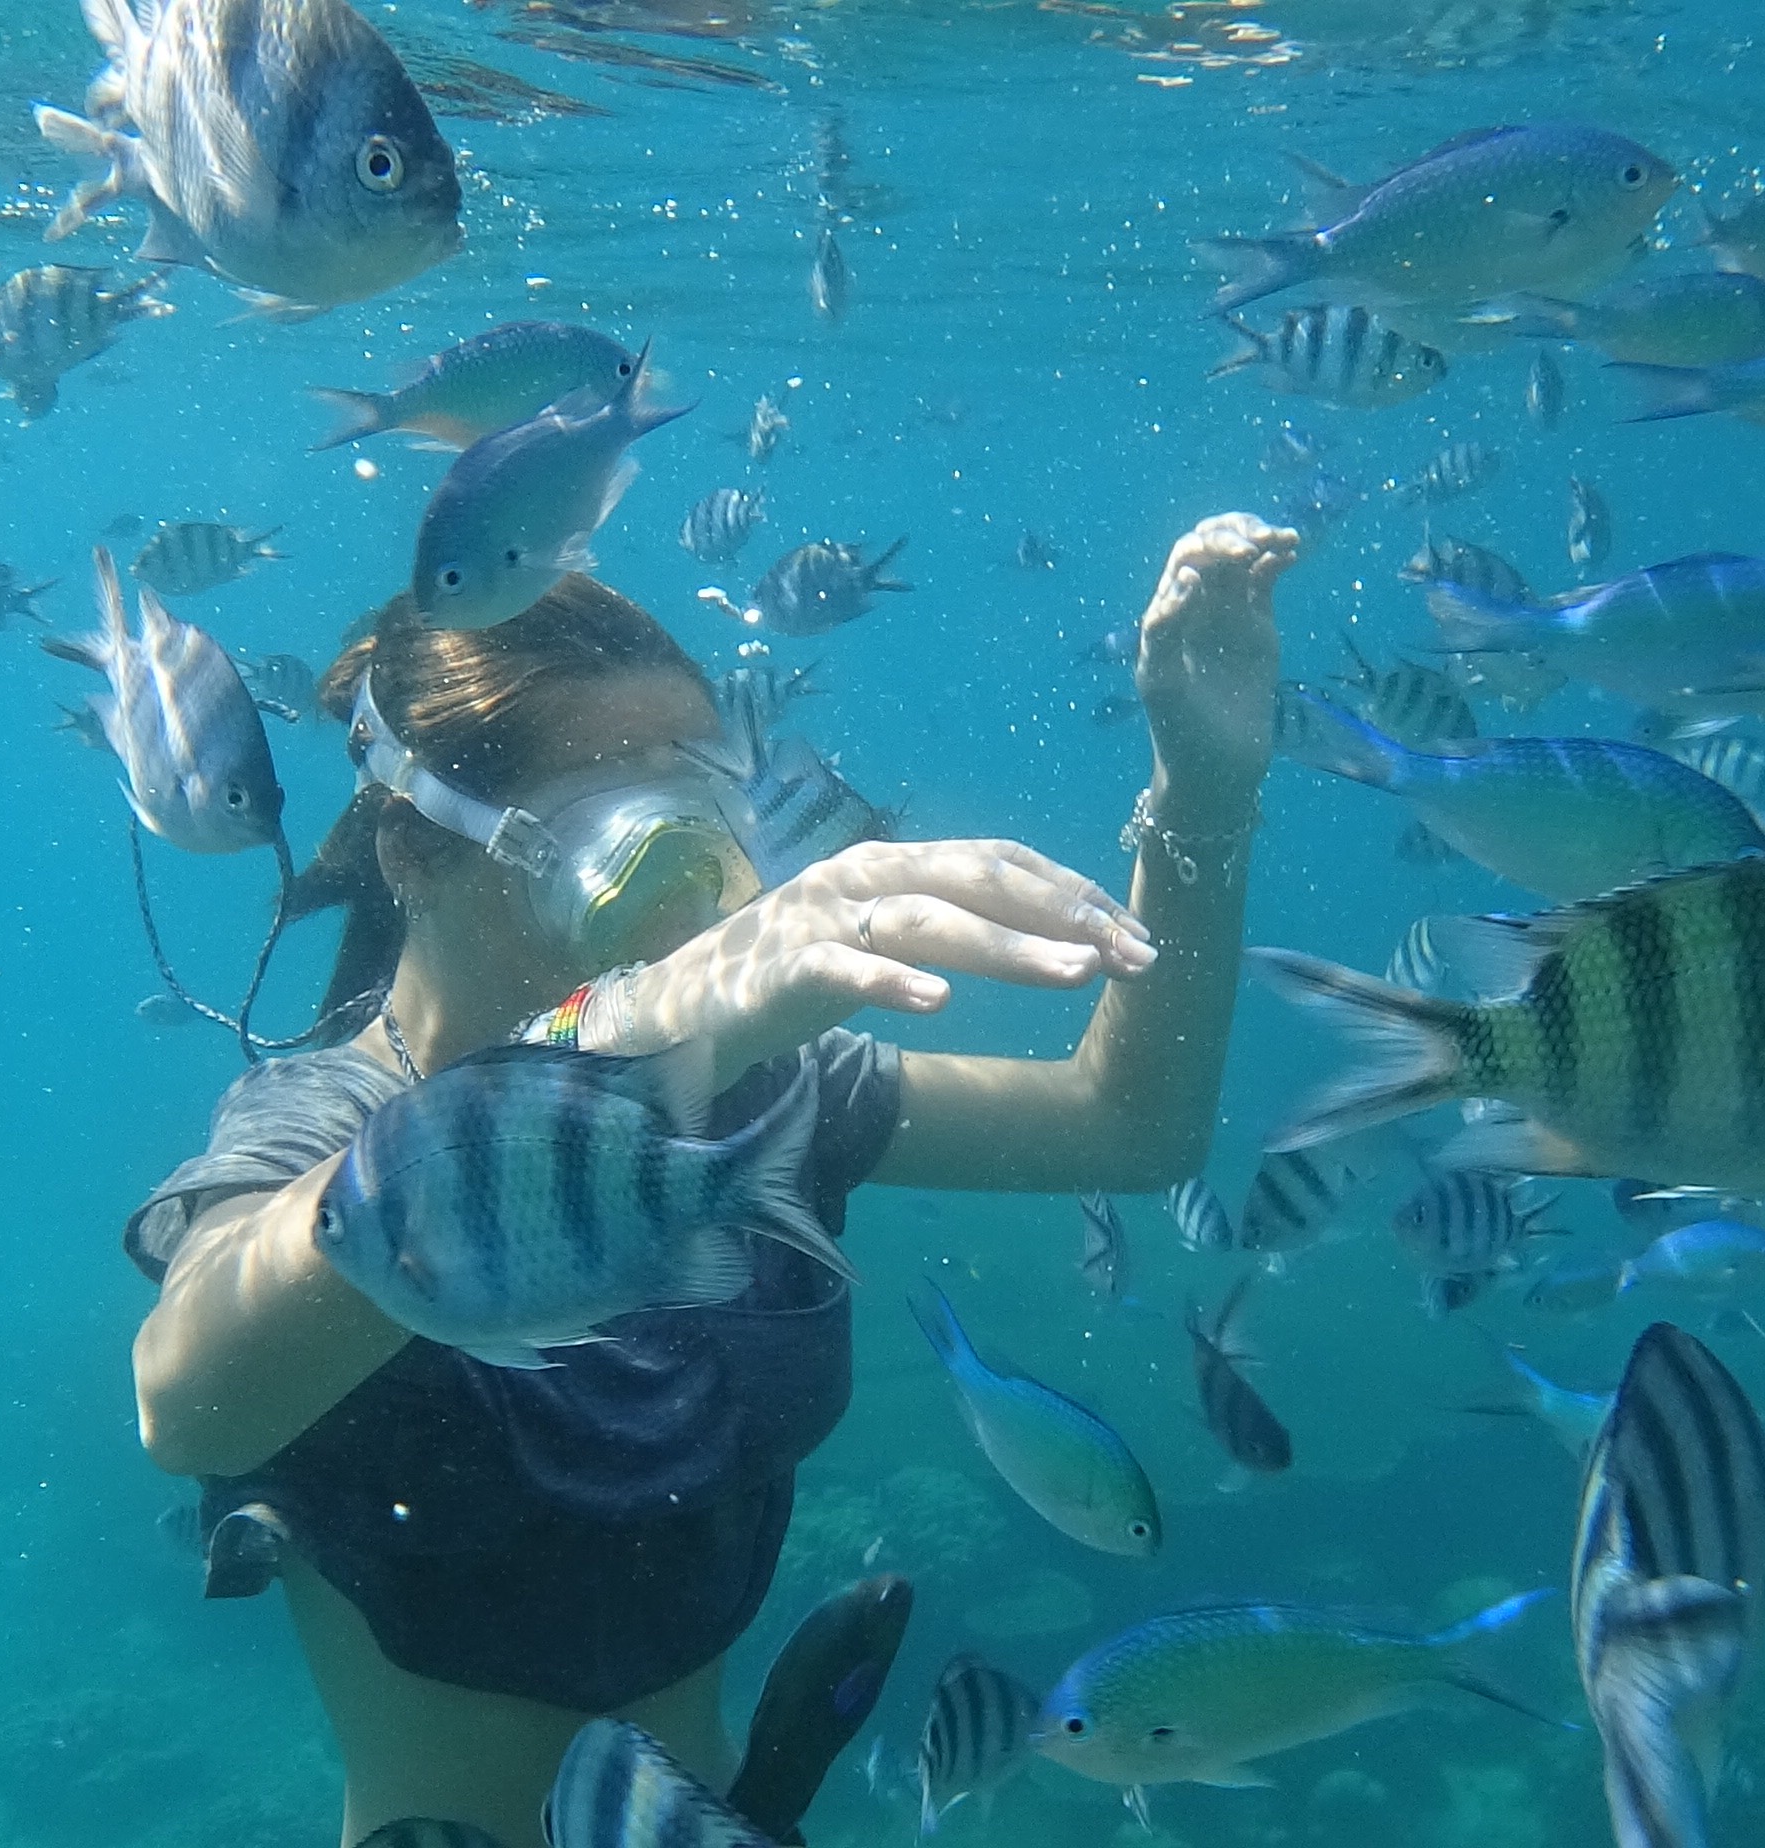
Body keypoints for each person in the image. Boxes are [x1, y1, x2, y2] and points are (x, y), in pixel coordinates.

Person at [122, 513, 1297, 1848]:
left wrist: (1204, 795)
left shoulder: (741, 1088)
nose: (683, 879)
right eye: (620, 824)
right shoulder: (338, 1126)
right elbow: (189, 1400)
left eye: (701, 803)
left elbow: (1131, 1129)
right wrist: (622, 1025)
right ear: (416, 843)